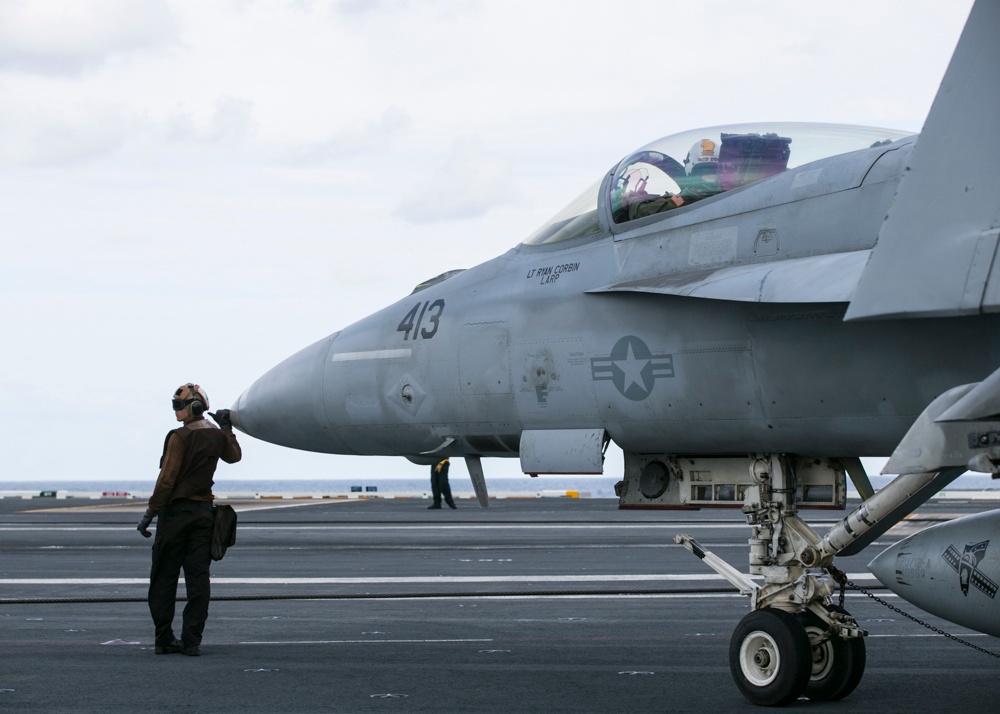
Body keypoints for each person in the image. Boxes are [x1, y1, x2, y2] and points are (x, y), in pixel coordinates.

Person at [136, 383, 242, 656]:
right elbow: (235, 457)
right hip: (202, 515)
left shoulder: (179, 437)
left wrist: (150, 513)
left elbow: (166, 480)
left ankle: (164, 640)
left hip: (175, 517)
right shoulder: (217, 437)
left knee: (163, 578)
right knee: (199, 579)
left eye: (179, 405)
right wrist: (226, 427)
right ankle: (192, 641)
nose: (176, 410)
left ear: (195, 406)